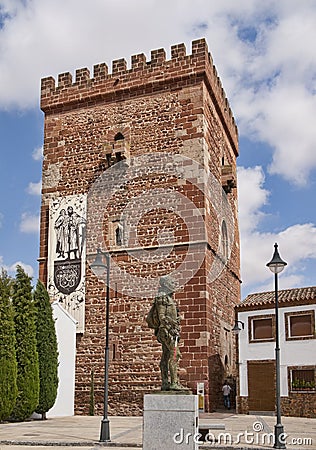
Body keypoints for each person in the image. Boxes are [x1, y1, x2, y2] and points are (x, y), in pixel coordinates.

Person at [146, 275, 183, 391]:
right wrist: (170, 327)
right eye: (172, 282)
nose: (174, 284)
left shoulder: (168, 298)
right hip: (166, 331)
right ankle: (173, 383)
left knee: (166, 356)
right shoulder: (162, 298)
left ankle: (166, 383)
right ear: (166, 284)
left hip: (170, 330)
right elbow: (162, 317)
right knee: (175, 354)